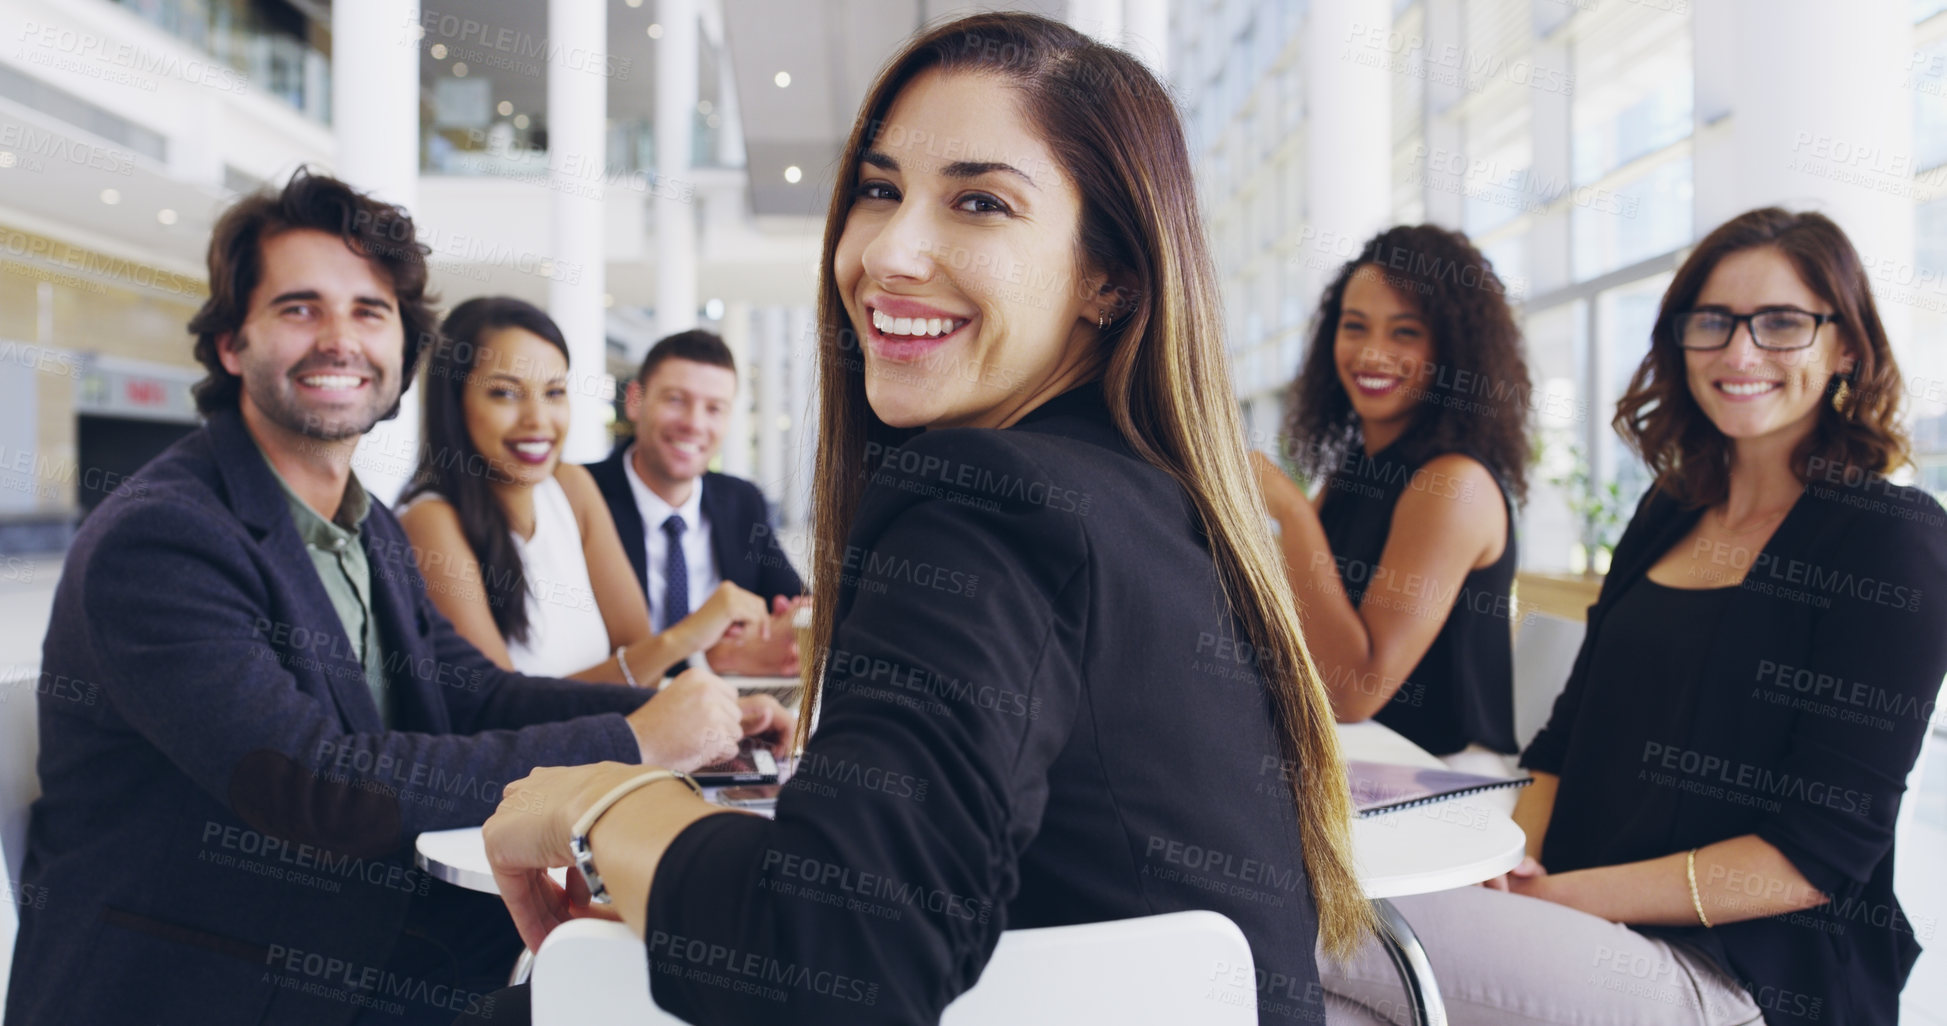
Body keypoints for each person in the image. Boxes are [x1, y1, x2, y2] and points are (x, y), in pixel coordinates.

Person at [478, 12, 1371, 1026]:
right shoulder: (1153, 496)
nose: (889, 253)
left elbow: (840, 951)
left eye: (980, 203)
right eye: (878, 190)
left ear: (1110, 277)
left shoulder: (985, 494)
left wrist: (606, 805)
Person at [2, 169, 790, 1026]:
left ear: (403, 353)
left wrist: (693, 716)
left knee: (668, 966)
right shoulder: (161, 540)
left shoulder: (364, 526)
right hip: (213, 978)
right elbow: (313, 787)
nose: (339, 339)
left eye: (370, 312)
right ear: (232, 344)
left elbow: (474, 690)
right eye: (300, 308)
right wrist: (632, 740)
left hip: (366, 937)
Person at [1321, 208, 1947, 1025]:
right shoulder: (1670, 509)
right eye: (1712, 322)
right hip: (1581, 912)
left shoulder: (1891, 541)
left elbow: (1813, 858)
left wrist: (1557, 897)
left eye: (1782, 324)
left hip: (1737, 974)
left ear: (1847, 348)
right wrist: (1512, 865)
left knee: (1314, 916)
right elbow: (1563, 739)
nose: (1739, 352)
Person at [1254, 226, 1531, 769]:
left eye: (1405, 332)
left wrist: (1289, 510)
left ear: (1452, 349)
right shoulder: (1356, 470)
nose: (1372, 353)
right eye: (1354, 327)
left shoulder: (1454, 484)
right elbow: (1298, 623)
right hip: (1356, 754)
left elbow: (1355, 691)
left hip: (1442, 777)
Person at [397, 297, 772, 682]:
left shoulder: (571, 487)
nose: (538, 419)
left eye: (554, 392)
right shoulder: (430, 521)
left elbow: (638, 655)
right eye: (506, 393)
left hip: (627, 734)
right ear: (454, 404)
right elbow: (499, 708)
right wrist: (685, 638)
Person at [585, 330, 805, 676]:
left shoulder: (742, 500)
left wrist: (794, 623)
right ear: (634, 401)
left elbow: (794, 603)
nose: (694, 424)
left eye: (715, 408)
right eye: (675, 399)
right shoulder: (583, 495)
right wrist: (707, 658)